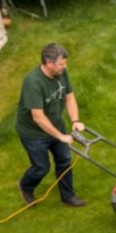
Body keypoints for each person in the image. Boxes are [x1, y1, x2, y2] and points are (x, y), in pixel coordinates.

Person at [16, 43, 87, 207]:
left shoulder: (62, 73)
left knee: (64, 161)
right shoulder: (33, 82)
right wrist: (60, 136)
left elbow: (69, 97)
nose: (65, 66)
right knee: (41, 167)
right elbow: (38, 117)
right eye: (61, 63)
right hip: (33, 133)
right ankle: (25, 186)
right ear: (49, 63)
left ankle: (68, 197)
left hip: (55, 124)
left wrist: (75, 120)